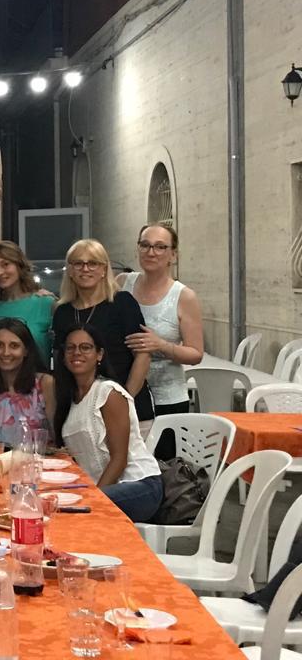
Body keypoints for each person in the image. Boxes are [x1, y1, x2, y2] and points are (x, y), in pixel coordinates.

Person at [54, 324, 163, 522]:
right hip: (104, 489)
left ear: (99, 354)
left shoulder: (108, 393)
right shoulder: (71, 400)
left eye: (85, 347)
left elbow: (119, 459)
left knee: (72, 513)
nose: (77, 352)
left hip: (139, 485)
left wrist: (94, 499)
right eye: (70, 348)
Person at [52, 239, 155, 436]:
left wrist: (124, 402)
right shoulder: (62, 312)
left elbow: (143, 356)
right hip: (81, 413)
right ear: (70, 270)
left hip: (129, 408)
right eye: (78, 263)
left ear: (103, 269)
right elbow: (61, 363)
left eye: (93, 263)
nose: (85, 269)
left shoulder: (122, 303)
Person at [118, 223, 204, 458]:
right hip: (127, 394)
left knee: (164, 468)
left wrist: (162, 345)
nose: (151, 252)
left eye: (159, 247)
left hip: (167, 399)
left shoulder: (184, 296)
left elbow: (196, 353)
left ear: (173, 255)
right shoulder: (122, 283)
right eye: (145, 245)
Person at [0, 318, 57, 447]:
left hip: (43, 458)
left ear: (26, 350)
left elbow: (57, 437)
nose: (6, 352)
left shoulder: (45, 383)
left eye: (14, 346)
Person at [0, 241, 55, 364]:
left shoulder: (46, 303)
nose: (0, 272)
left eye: (5, 264)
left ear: (19, 265)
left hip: (38, 375)